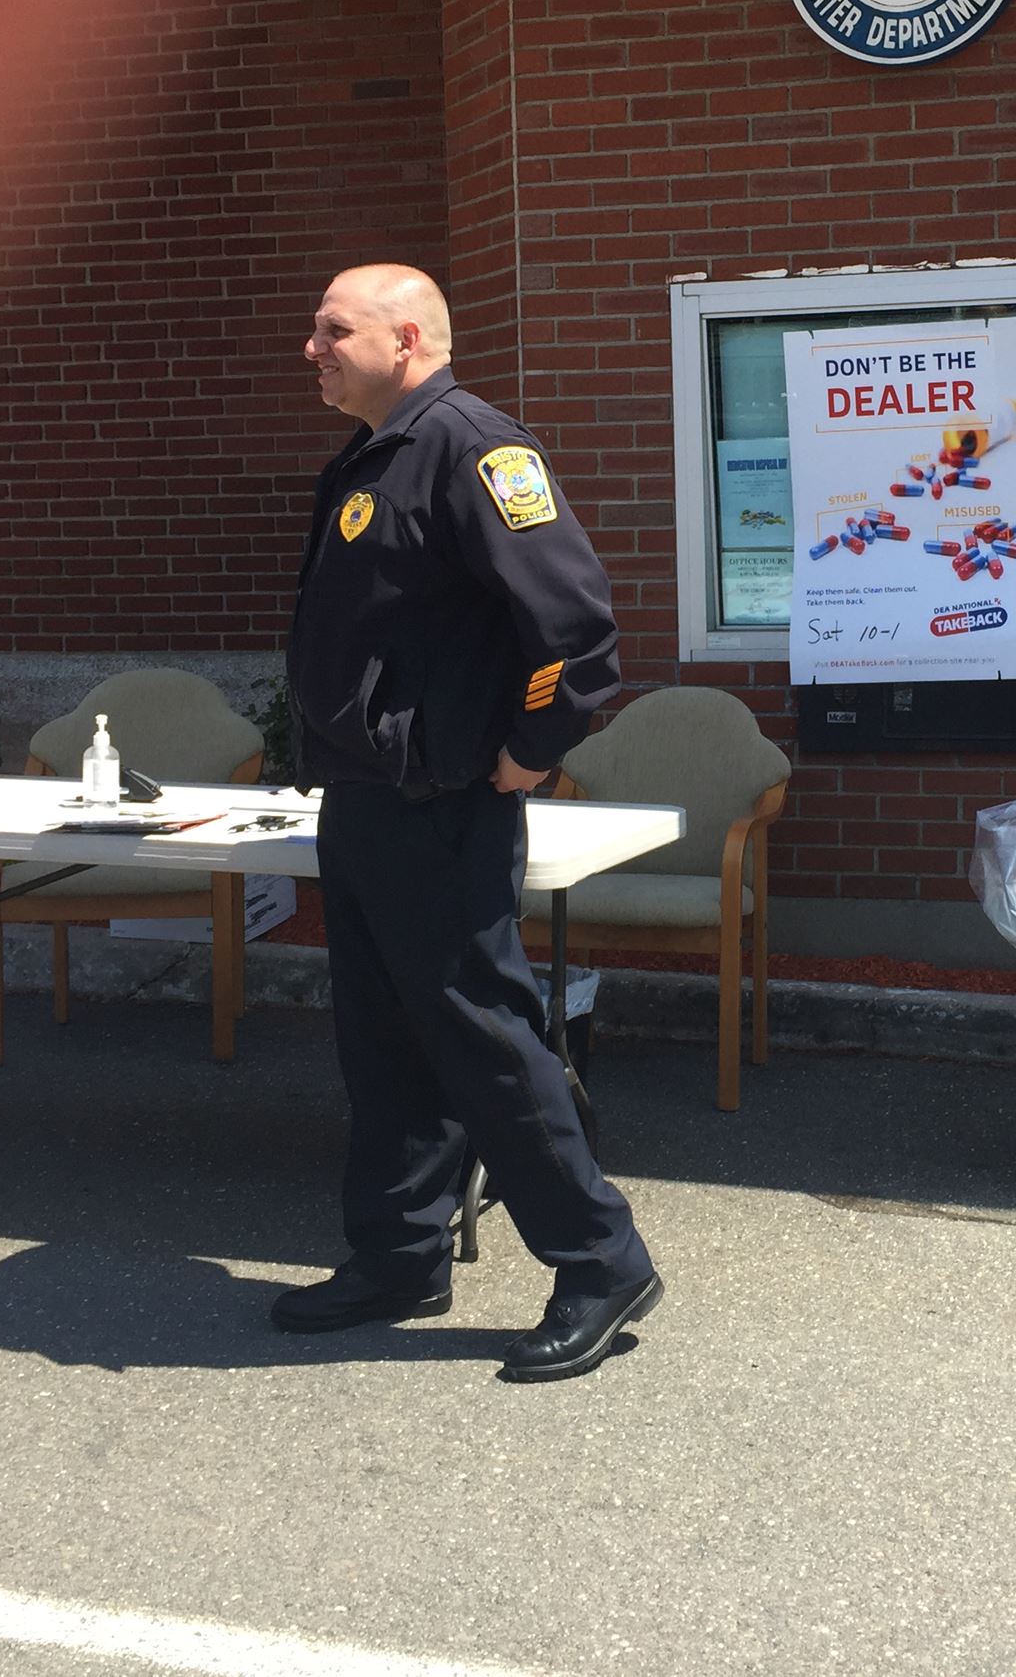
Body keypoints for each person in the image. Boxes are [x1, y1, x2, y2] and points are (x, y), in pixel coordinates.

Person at [275, 262, 660, 1382]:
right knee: (383, 1040)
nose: (311, 347)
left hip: (442, 803)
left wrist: (528, 753)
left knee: (485, 1038)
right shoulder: (377, 451)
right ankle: (398, 1254)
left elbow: (575, 633)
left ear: (406, 339)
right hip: (365, 799)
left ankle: (599, 1257)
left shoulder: (474, 448)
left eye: (330, 329)